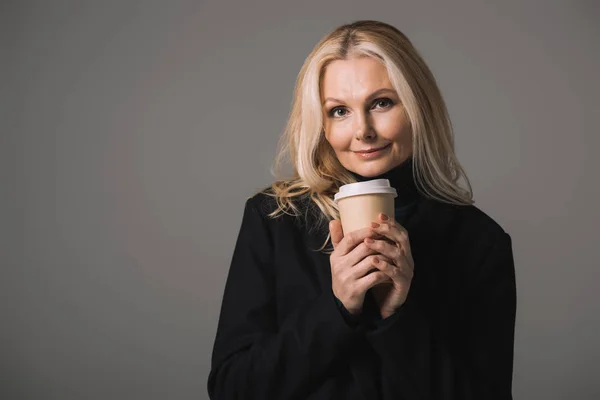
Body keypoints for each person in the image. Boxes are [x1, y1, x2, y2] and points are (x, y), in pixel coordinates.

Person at [207, 20, 517, 400]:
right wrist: (336, 308)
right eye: (339, 111)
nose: (363, 131)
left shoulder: (479, 241)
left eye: (382, 103)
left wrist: (396, 315)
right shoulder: (275, 219)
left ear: (417, 105)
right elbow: (231, 388)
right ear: (320, 124)